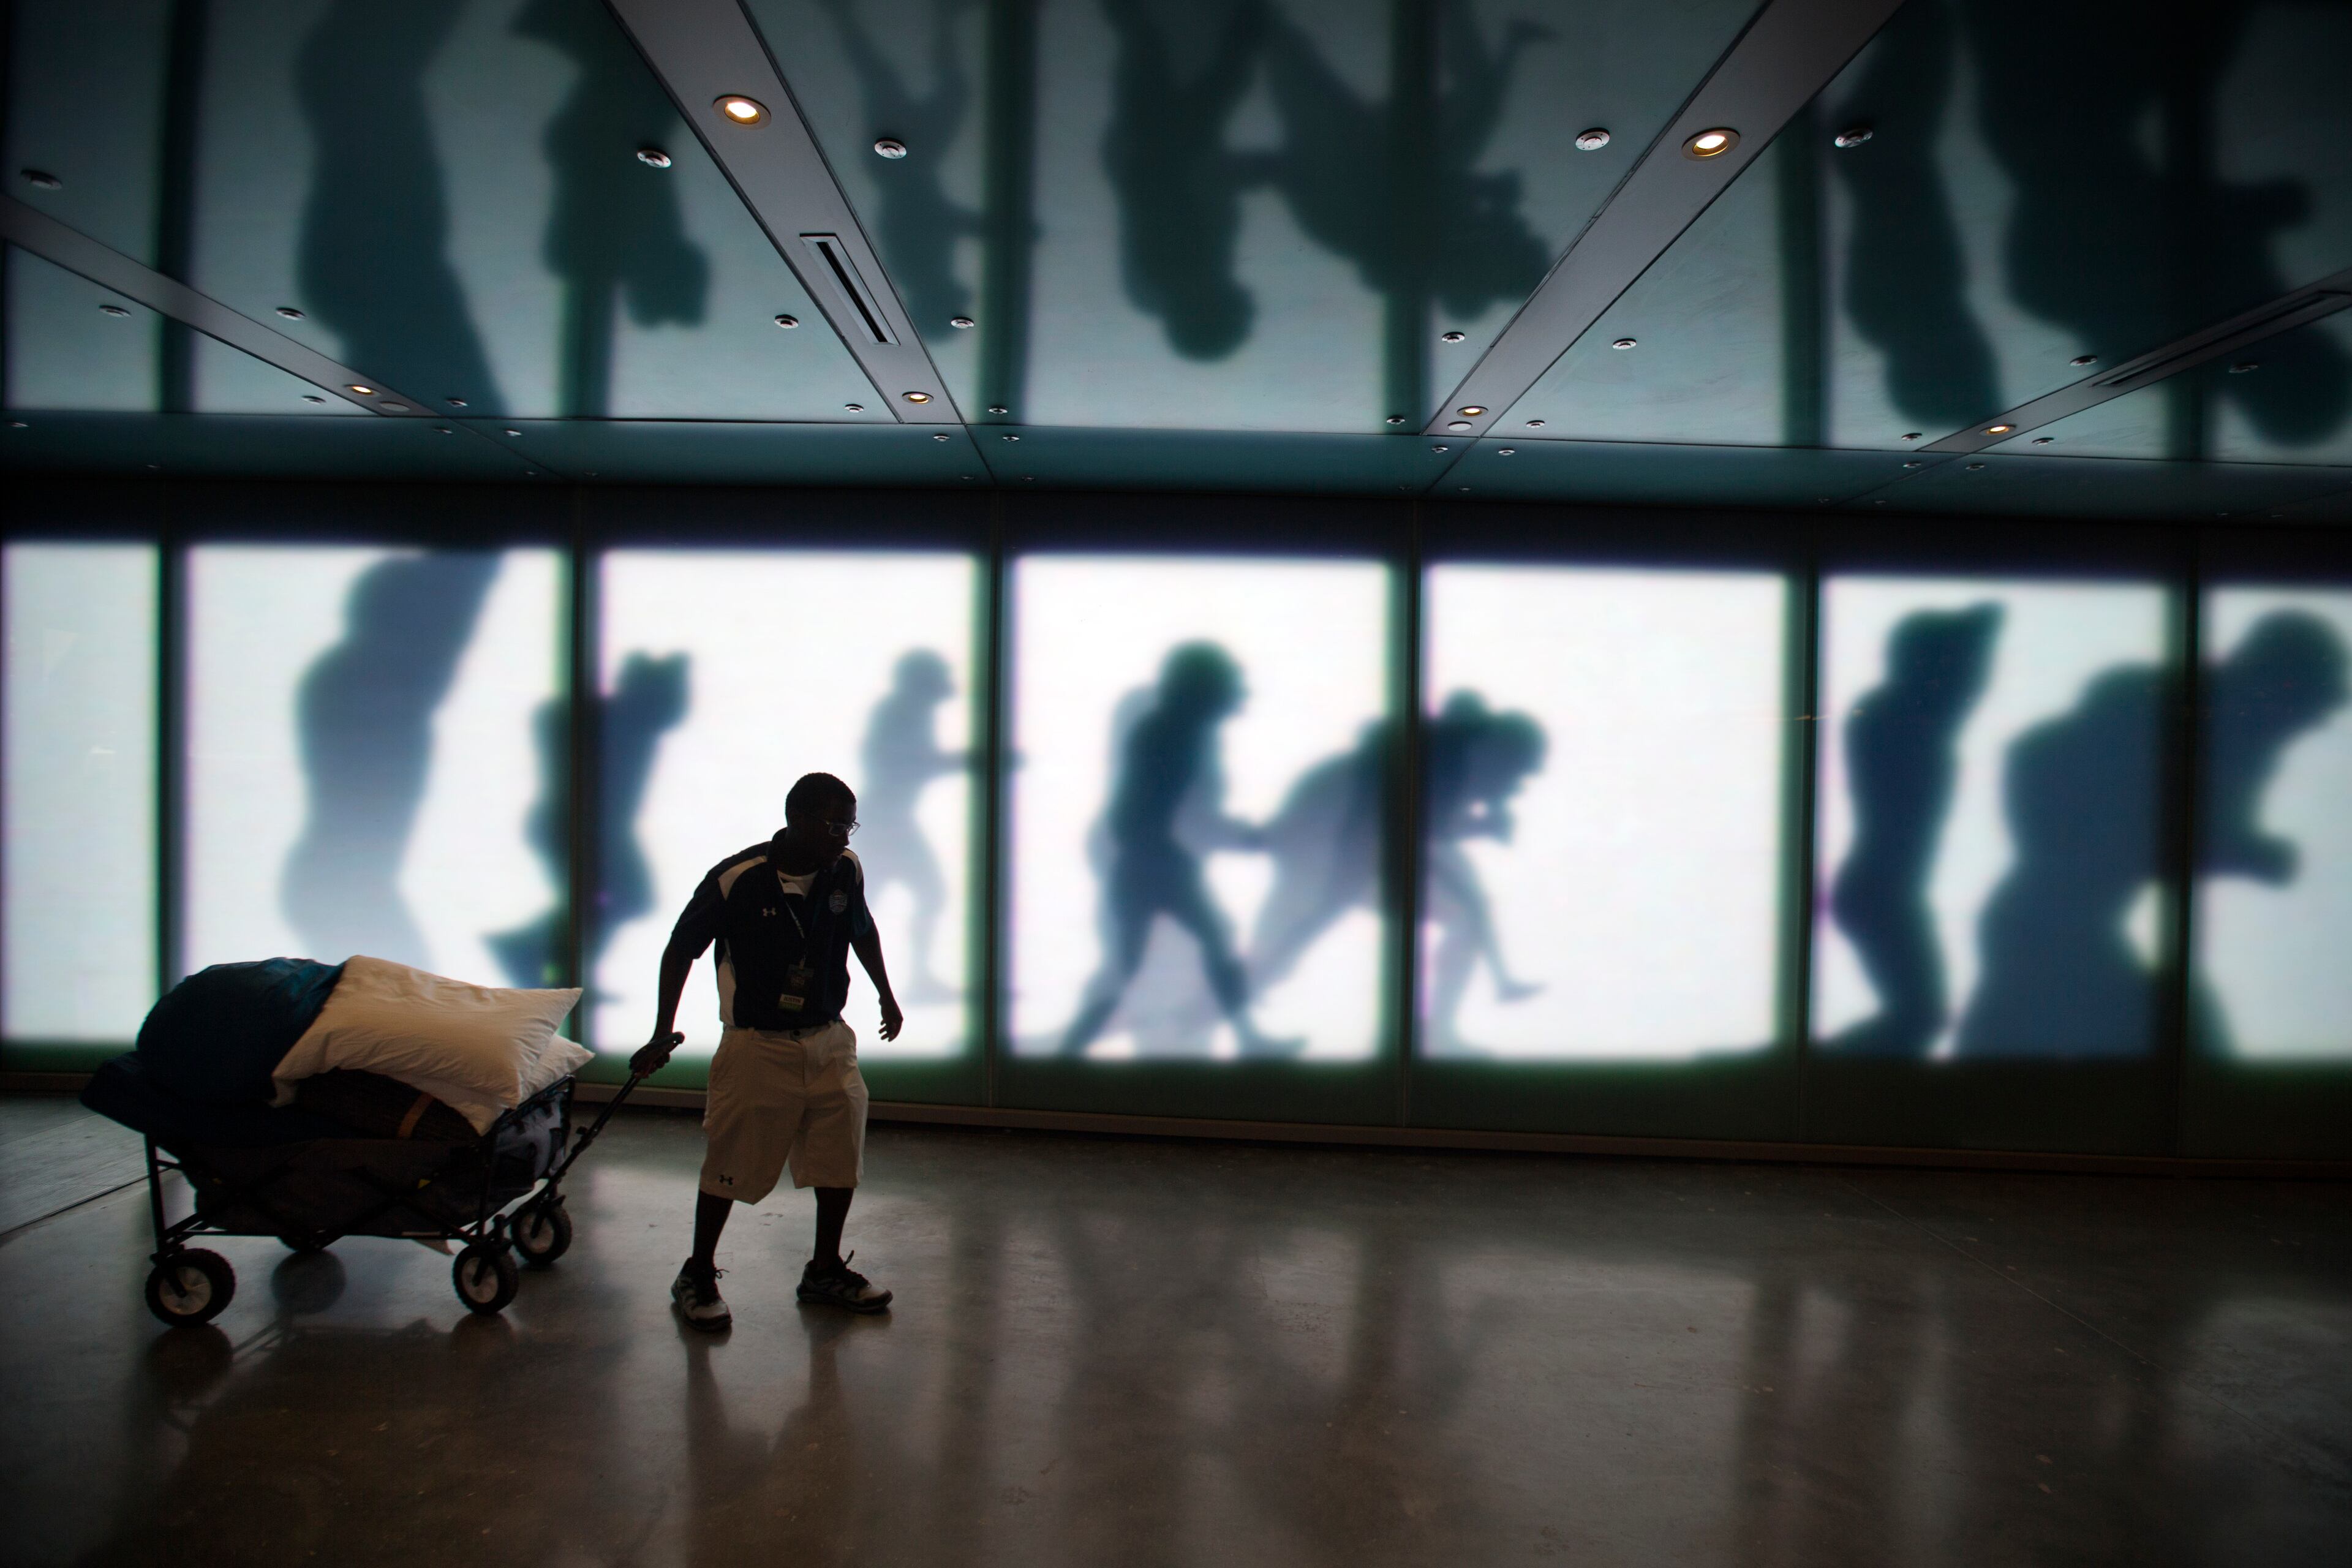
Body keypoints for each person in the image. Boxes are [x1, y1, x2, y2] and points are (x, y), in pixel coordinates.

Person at [631, 773, 904, 1330]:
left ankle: (824, 1270)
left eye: (849, 823)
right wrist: (664, 1029)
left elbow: (862, 929)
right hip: (758, 1047)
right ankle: (698, 1273)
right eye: (833, 824)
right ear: (796, 818)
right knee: (731, 1162)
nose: (843, 836)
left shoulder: (844, 869)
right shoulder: (738, 879)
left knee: (838, 1155)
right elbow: (679, 950)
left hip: (829, 1039)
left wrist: (886, 993)